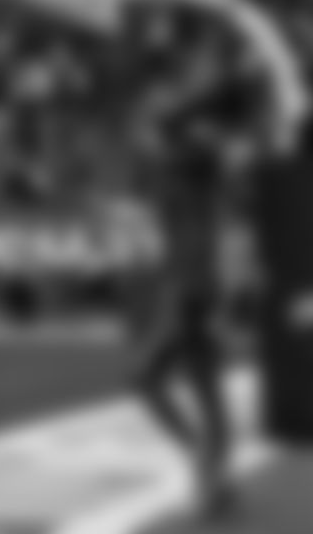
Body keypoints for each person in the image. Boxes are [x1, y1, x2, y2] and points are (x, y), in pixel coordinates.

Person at [133, 99, 239, 521]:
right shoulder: (202, 183)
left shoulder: (184, 180)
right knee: (205, 385)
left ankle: (203, 464)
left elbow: (158, 139)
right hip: (198, 286)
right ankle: (213, 474)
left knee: (146, 378)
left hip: (188, 289)